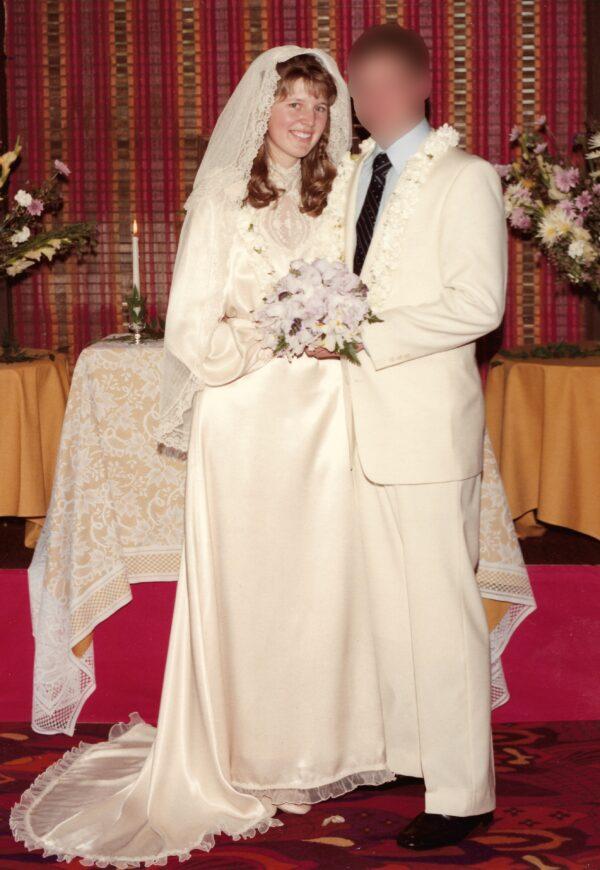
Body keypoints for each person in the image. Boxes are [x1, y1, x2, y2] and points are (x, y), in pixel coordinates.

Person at [8, 46, 398, 867]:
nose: (305, 119)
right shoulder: (224, 195)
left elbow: (372, 292)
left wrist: (339, 326)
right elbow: (191, 327)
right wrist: (276, 332)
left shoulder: (344, 197)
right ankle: (245, 753)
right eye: (291, 102)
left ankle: (319, 749)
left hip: (328, 418)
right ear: (262, 109)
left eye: (319, 106)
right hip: (248, 416)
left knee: (324, 582)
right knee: (252, 582)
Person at [329, 22, 506, 850]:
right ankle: (416, 754)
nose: (368, 103)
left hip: (429, 428)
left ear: (420, 85)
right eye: (358, 89)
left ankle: (464, 793)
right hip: (360, 427)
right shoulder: (360, 169)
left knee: (440, 611)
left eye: (382, 86)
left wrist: (364, 332)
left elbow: (480, 305)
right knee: (390, 609)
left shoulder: (467, 178)